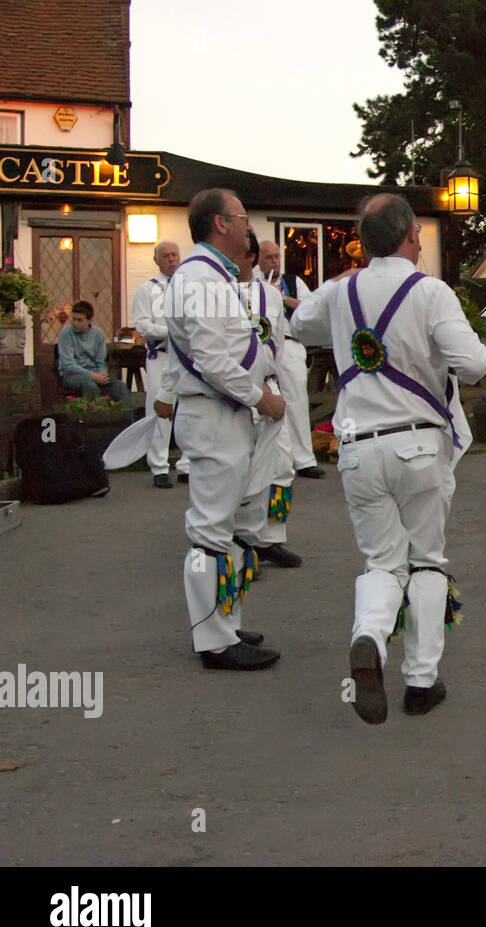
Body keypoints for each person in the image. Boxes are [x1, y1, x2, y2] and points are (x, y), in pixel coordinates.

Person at [290, 193, 486, 724]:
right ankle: (421, 682)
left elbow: (299, 326)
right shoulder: (431, 291)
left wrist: (341, 293)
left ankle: (370, 639)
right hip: (419, 444)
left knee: (382, 560)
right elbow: (472, 365)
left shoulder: (340, 291)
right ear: (409, 237)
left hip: (357, 447)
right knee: (425, 560)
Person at [154, 188, 285, 671]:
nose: (249, 227)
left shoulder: (212, 276)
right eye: (243, 217)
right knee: (211, 530)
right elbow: (211, 358)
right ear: (219, 224)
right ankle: (213, 640)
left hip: (225, 412)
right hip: (214, 414)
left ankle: (225, 622)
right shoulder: (199, 279)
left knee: (227, 527)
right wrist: (260, 397)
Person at [230, 228, 302, 572]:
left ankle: (271, 538)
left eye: (241, 252)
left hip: (269, 388)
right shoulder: (217, 292)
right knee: (241, 468)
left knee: (282, 465)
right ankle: (241, 544)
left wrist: (270, 379)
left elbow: (278, 341)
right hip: (233, 392)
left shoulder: (270, 296)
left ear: (251, 257)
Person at [255, 240, 324, 478]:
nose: (274, 261)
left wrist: (282, 298)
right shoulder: (253, 284)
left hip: (290, 343)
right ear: (258, 260)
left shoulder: (293, 282)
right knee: (265, 400)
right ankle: (270, 460)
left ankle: (304, 459)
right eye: (269, 258)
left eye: (277, 256)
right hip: (263, 345)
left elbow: (310, 309)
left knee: (296, 399)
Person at [131, 241, 189, 488]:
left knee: (188, 409)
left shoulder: (190, 288)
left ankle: (187, 464)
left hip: (187, 357)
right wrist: (170, 332)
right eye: (165, 256)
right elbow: (142, 325)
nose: (171, 259)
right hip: (162, 356)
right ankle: (159, 466)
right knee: (160, 410)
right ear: (157, 260)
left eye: (174, 255)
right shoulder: (147, 290)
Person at [57, 301, 129, 403]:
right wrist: (92, 376)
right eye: (73, 319)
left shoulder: (98, 334)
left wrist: (102, 374)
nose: (75, 323)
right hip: (71, 375)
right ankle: (94, 415)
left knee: (119, 386)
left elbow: (101, 361)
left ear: (89, 320)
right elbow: (68, 365)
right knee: (90, 385)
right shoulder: (66, 333)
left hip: (95, 373)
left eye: (80, 320)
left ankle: (127, 417)